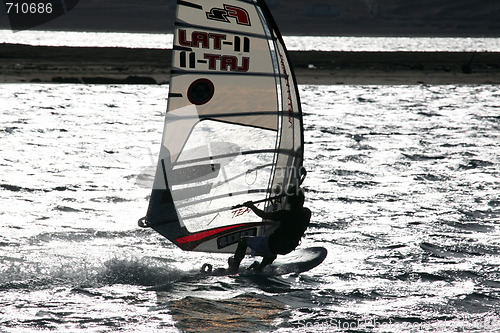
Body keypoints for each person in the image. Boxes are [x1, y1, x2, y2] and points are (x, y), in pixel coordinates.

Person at [228, 187, 311, 273]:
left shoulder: (284, 214)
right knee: (273, 246)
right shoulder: (307, 213)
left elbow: (263, 215)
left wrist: (251, 206)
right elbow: (297, 209)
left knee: (243, 241)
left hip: (273, 244)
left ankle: (234, 268)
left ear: (289, 201)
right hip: (288, 247)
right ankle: (260, 268)